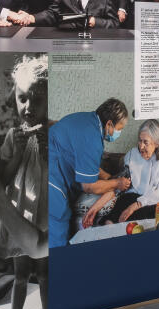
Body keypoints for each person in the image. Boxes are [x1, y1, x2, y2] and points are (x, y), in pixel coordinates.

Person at [0, 55, 49, 309]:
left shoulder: (55, 132)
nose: (28, 107)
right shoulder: (14, 136)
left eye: (36, 100)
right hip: (19, 209)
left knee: (45, 274)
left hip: (45, 214)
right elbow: (5, 177)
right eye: (22, 99)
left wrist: (50, 151)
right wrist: (18, 154)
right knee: (21, 274)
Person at [46, 98, 131, 248]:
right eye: (120, 128)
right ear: (109, 124)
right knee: (57, 230)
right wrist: (117, 183)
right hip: (52, 181)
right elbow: (89, 186)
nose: (119, 132)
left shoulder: (87, 121)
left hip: (48, 167)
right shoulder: (92, 139)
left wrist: (108, 178)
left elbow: (86, 164)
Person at [80, 119, 159, 227]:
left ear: (157, 142)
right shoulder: (132, 155)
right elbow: (117, 187)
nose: (141, 147)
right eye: (140, 141)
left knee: (158, 211)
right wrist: (93, 210)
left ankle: (113, 222)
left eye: (145, 142)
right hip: (132, 199)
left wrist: (135, 206)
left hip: (154, 202)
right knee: (125, 199)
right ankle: (110, 223)